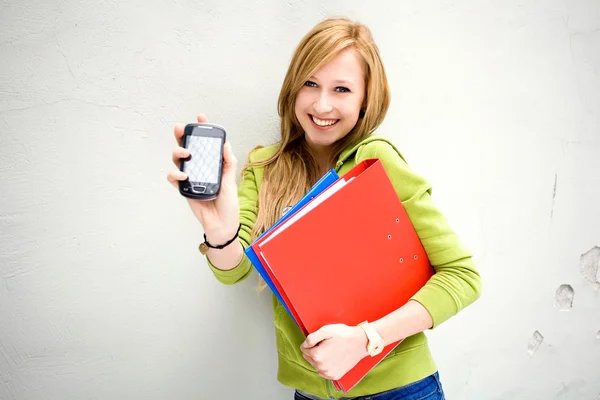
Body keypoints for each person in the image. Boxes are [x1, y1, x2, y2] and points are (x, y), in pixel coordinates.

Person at [168, 17, 481, 400]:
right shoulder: (266, 167)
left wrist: (368, 338)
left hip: (402, 390)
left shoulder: (375, 159)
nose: (322, 104)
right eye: (310, 84)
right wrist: (218, 230)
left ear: (365, 99)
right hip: (311, 394)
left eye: (342, 89)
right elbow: (235, 272)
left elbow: (462, 277)